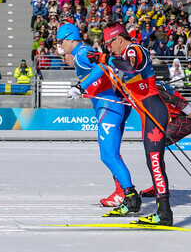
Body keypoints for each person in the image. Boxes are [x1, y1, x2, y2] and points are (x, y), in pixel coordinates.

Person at [57, 23, 137, 210]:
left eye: (61, 42)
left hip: (108, 106)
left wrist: (80, 86)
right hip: (109, 105)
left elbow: (103, 64)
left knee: (108, 156)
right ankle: (121, 192)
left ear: (70, 39)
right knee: (111, 154)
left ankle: (131, 197)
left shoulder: (82, 52)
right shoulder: (81, 53)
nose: (61, 47)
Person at [104, 22, 173, 226]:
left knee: (155, 162)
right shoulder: (126, 54)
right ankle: (163, 211)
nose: (109, 47)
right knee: (153, 162)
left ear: (118, 39)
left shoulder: (133, 49)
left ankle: (164, 213)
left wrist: (107, 59)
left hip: (154, 113)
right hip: (148, 114)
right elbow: (132, 84)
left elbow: (131, 65)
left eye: (110, 43)